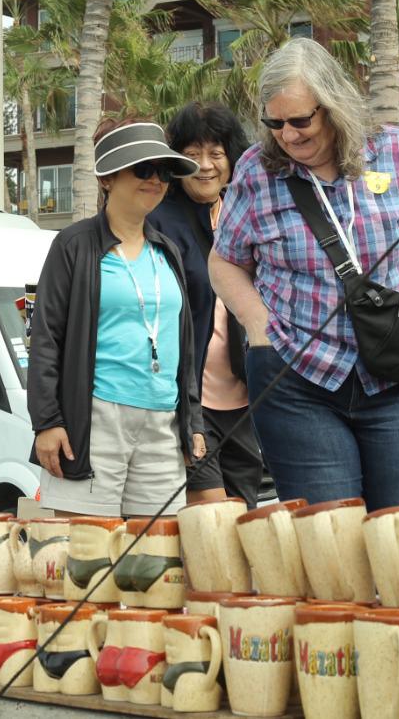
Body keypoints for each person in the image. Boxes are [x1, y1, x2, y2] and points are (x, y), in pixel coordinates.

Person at [209, 38, 399, 509]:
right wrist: (259, 329)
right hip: (296, 375)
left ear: (333, 105)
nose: (288, 136)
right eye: (275, 124)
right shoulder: (256, 170)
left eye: (300, 121)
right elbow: (225, 260)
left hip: (391, 374)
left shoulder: (398, 151)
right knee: (332, 536)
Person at [28, 120, 204, 517]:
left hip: (163, 421)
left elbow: (185, 349)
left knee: (154, 561)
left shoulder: (168, 251)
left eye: (163, 171)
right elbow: (44, 338)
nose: (156, 180)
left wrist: (193, 422)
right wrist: (47, 422)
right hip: (95, 419)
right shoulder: (72, 244)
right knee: (87, 559)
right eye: (143, 169)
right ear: (108, 178)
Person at [146, 101, 265, 508]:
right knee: (213, 517)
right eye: (192, 154)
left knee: (246, 512)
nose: (205, 165)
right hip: (189, 399)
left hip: (246, 397)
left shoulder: (247, 215)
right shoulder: (159, 221)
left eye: (216, 153)